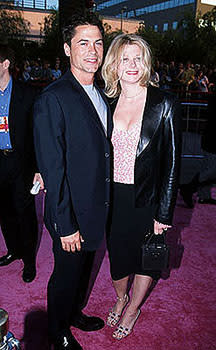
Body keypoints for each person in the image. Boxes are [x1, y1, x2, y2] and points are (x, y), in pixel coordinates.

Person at [33, 13, 112, 350]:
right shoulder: (54, 97)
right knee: (65, 274)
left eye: (97, 42)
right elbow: (52, 167)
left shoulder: (102, 93)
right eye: (83, 43)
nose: (92, 50)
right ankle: (57, 329)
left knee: (84, 268)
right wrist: (64, 225)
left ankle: (73, 312)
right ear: (67, 49)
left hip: (96, 203)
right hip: (69, 211)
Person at [102, 34, 182, 340]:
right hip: (112, 197)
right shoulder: (104, 99)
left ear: (146, 62)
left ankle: (133, 307)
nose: (132, 65)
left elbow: (173, 163)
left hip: (147, 197)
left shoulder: (165, 103)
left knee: (145, 257)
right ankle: (120, 297)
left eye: (138, 58)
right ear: (115, 64)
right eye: (125, 59)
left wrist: (164, 212)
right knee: (118, 256)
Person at [0, 44, 42, 282]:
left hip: (21, 163)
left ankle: (29, 260)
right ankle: (13, 250)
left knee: (25, 214)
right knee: (4, 212)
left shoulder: (29, 94)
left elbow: (37, 134)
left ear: (5, 64)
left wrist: (38, 168)